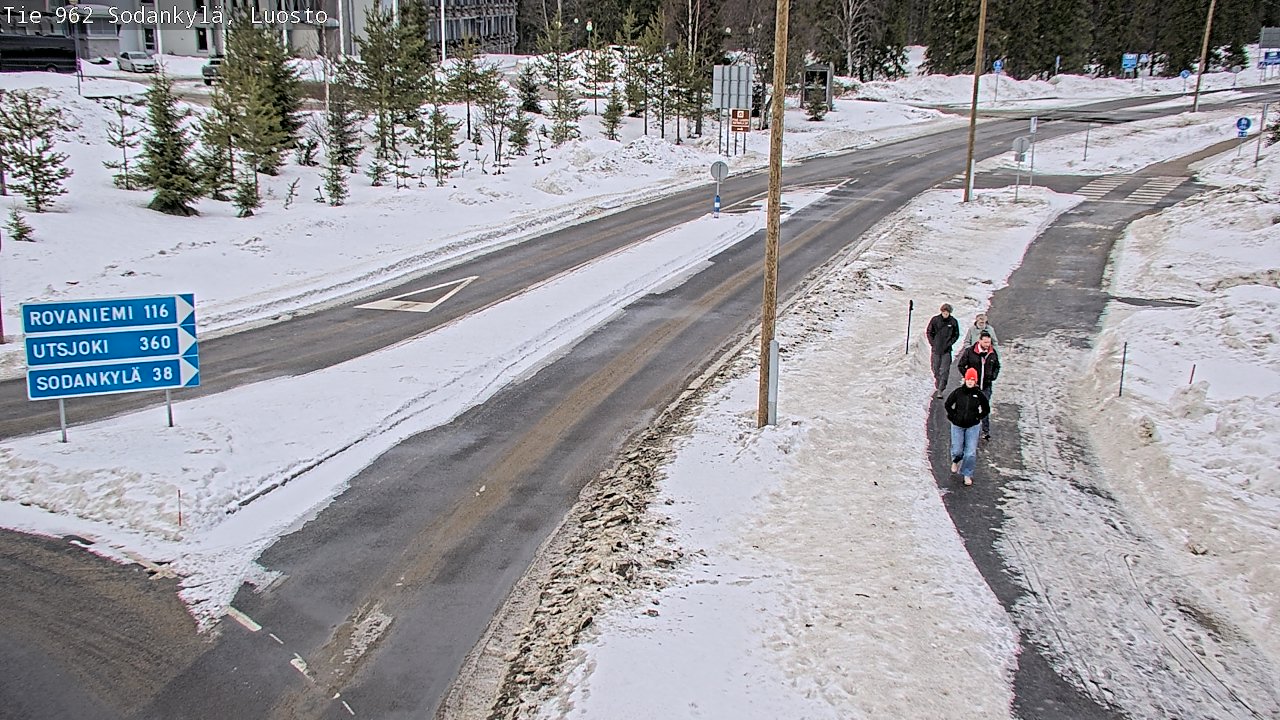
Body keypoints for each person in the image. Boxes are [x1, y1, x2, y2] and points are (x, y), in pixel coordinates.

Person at [945, 368, 989, 486]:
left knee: (970, 452)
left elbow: (986, 409)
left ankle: (967, 474)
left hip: (972, 426)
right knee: (957, 450)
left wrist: (978, 417)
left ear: (975, 381)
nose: (970, 381)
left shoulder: (979, 394)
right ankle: (956, 460)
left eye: (972, 379)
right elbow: (948, 404)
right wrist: (953, 416)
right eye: (968, 379)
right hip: (957, 425)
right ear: (965, 380)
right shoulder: (958, 392)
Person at [957, 331, 1000, 440]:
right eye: (985, 342)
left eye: (989, 342)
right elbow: (961, 365)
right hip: (972, 386)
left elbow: (997, 366)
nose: (987, 344)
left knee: (985, 407)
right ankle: (968, 428)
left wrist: (992, 376)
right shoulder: (970, 352)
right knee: (971, 407)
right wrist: (968, 378)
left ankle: (986, 431)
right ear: (979, 340)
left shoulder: (992, 352)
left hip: (986, 386)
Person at [925, 303, 960, 399]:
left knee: (944, 370)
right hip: (936, 349)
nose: (945, 314)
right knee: (935, 368)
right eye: (944, 312)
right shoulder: (935, 320)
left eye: (947, 312)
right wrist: (933, 343)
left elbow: (956, 334)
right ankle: (938, 381)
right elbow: (929, 332)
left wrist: (950, 343)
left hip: (947, 350)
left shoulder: (953, 322)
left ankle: (941, 388)